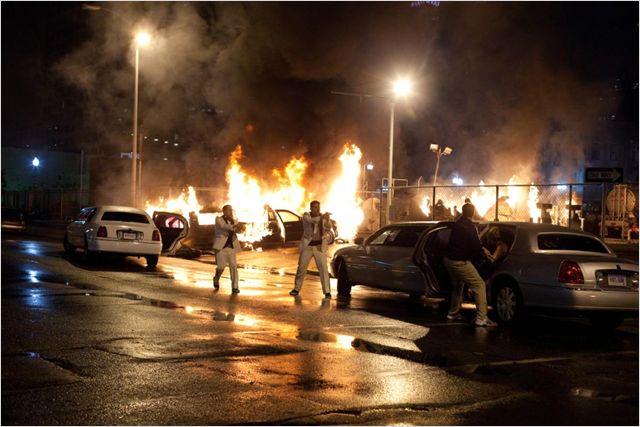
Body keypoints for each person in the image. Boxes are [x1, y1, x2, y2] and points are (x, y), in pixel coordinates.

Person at [443, 203, 497, 327]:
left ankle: (453, 313)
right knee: (479, 285)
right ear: (472, 212)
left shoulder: (458, 223)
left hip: (448, 260)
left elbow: (471, 241)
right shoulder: (470, 227)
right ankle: (482, 318)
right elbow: (476, 245)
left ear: (463, 212)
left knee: (458, 285)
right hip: (459, 261)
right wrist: (487, 255)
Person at [290, 200, 333, 299]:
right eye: (314, 207)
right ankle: (296, 289)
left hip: (319, 247)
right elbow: (313, 221)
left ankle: (327, 291)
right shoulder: (306, 216)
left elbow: (329, 226)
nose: (316, 209)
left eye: (318, 207)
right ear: (310, 208)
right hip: (307, 247)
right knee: (301, 268)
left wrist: (327, 219)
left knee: (324, 270)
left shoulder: (322, 217)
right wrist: (322, 217)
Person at [213, 205, 243, 293]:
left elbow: (239, 231)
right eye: (229, 210)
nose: (231, 212)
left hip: (231, 248)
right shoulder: (218, 219)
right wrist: (235, 225)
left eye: (231, 210)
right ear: (224, 211)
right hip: (221, 248)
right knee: (221, 267)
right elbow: (224, 226)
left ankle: (235, 287)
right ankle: (216, 278)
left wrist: (240, 228)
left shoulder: (234, 220)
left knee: (233, 267)